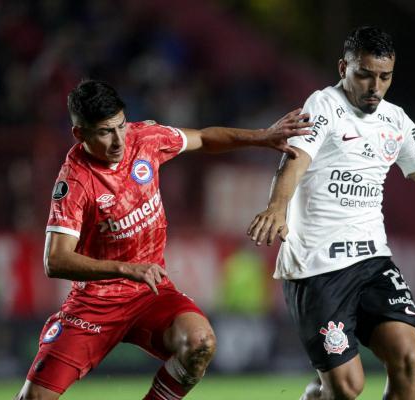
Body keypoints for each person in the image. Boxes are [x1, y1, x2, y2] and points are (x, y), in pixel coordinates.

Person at [16, 79, 312, 400]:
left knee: (200, 342)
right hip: (95, 304)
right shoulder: (75, 183)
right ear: (80, 134)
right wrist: (127, 269)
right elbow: (55, 260)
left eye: (121, 126)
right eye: (104, 132)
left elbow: (203, 138)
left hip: (149, 294)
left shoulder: (144, 139)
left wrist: (261, 137)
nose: (118, 140)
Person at [247, 26, 415, 400]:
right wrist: (277, 208)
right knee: (348, 388)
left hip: (372, 261)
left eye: (384, 76)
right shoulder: (324, 105)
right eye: (364, 74)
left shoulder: (396, 120)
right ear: (343, 67)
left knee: (408, 358)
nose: (374, 86)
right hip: (317, 269)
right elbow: (293, 162)